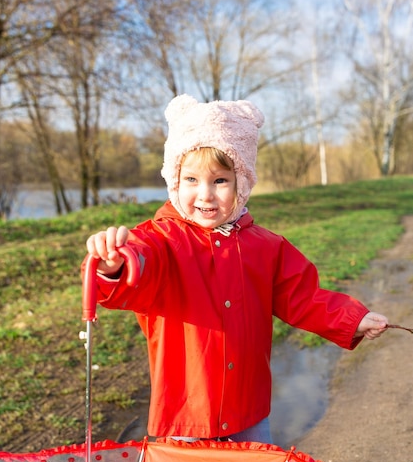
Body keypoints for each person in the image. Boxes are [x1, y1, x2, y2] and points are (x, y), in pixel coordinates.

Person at [84, 94, 388, 444]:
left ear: (241, 184)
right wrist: (114, 265)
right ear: (174, 182)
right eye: (191, 180)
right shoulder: (161, 240)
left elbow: (304, 297)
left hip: (249, 411)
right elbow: (138, 263)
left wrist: (353, 319)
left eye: (220, 181)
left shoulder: (266, 246)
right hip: (185, 418)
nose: (205, 195)